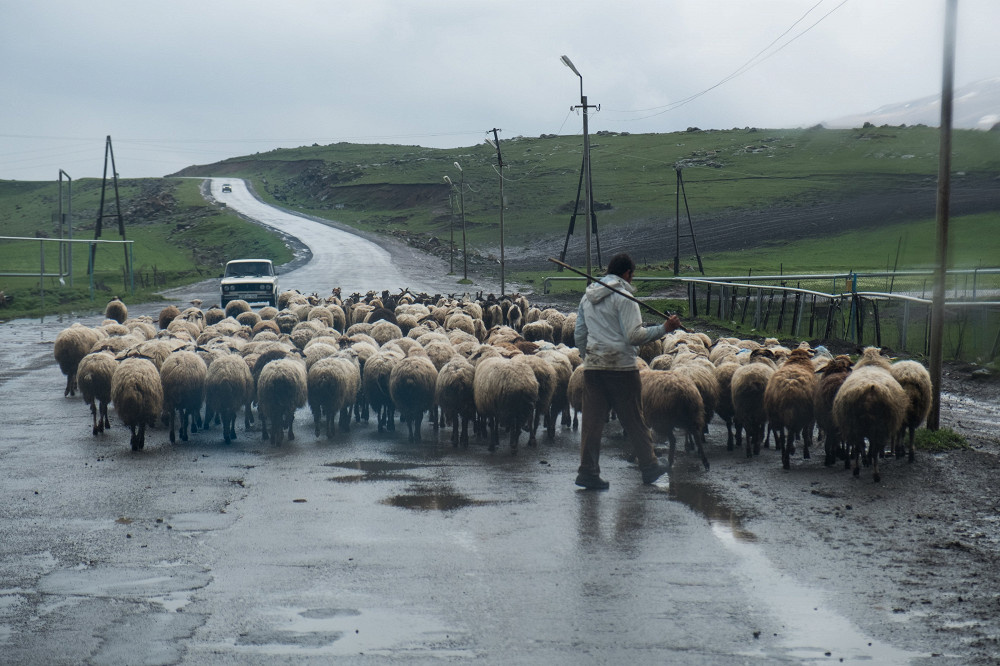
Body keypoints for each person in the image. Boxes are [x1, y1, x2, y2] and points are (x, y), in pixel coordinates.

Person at [573, 253, 683, 490]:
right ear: (627, 274)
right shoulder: (625, 297)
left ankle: (588, 471)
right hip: (621, 368)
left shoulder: (587, 297)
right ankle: (650, 466)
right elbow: (634, 336)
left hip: (593, 368)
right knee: (634, 419)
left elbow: (579, 334)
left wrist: (589, 356)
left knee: (592, 422)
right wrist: (664, 328)